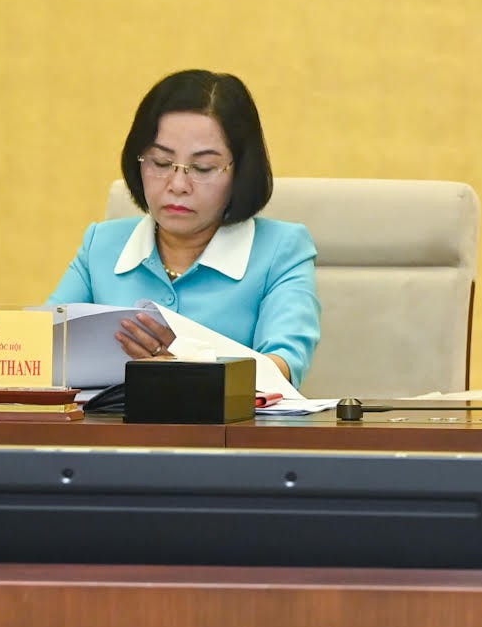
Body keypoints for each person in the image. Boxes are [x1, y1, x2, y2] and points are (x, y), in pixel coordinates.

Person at [49, 69, 320, 388]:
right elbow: (41, 349)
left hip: (228, 437)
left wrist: (186, 364)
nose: (178, 185)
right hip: (110, 434)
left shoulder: (281, 249)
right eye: (161, 163)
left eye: (203, 168)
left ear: (241, 170)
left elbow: (283, 369)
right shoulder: (101, 245)